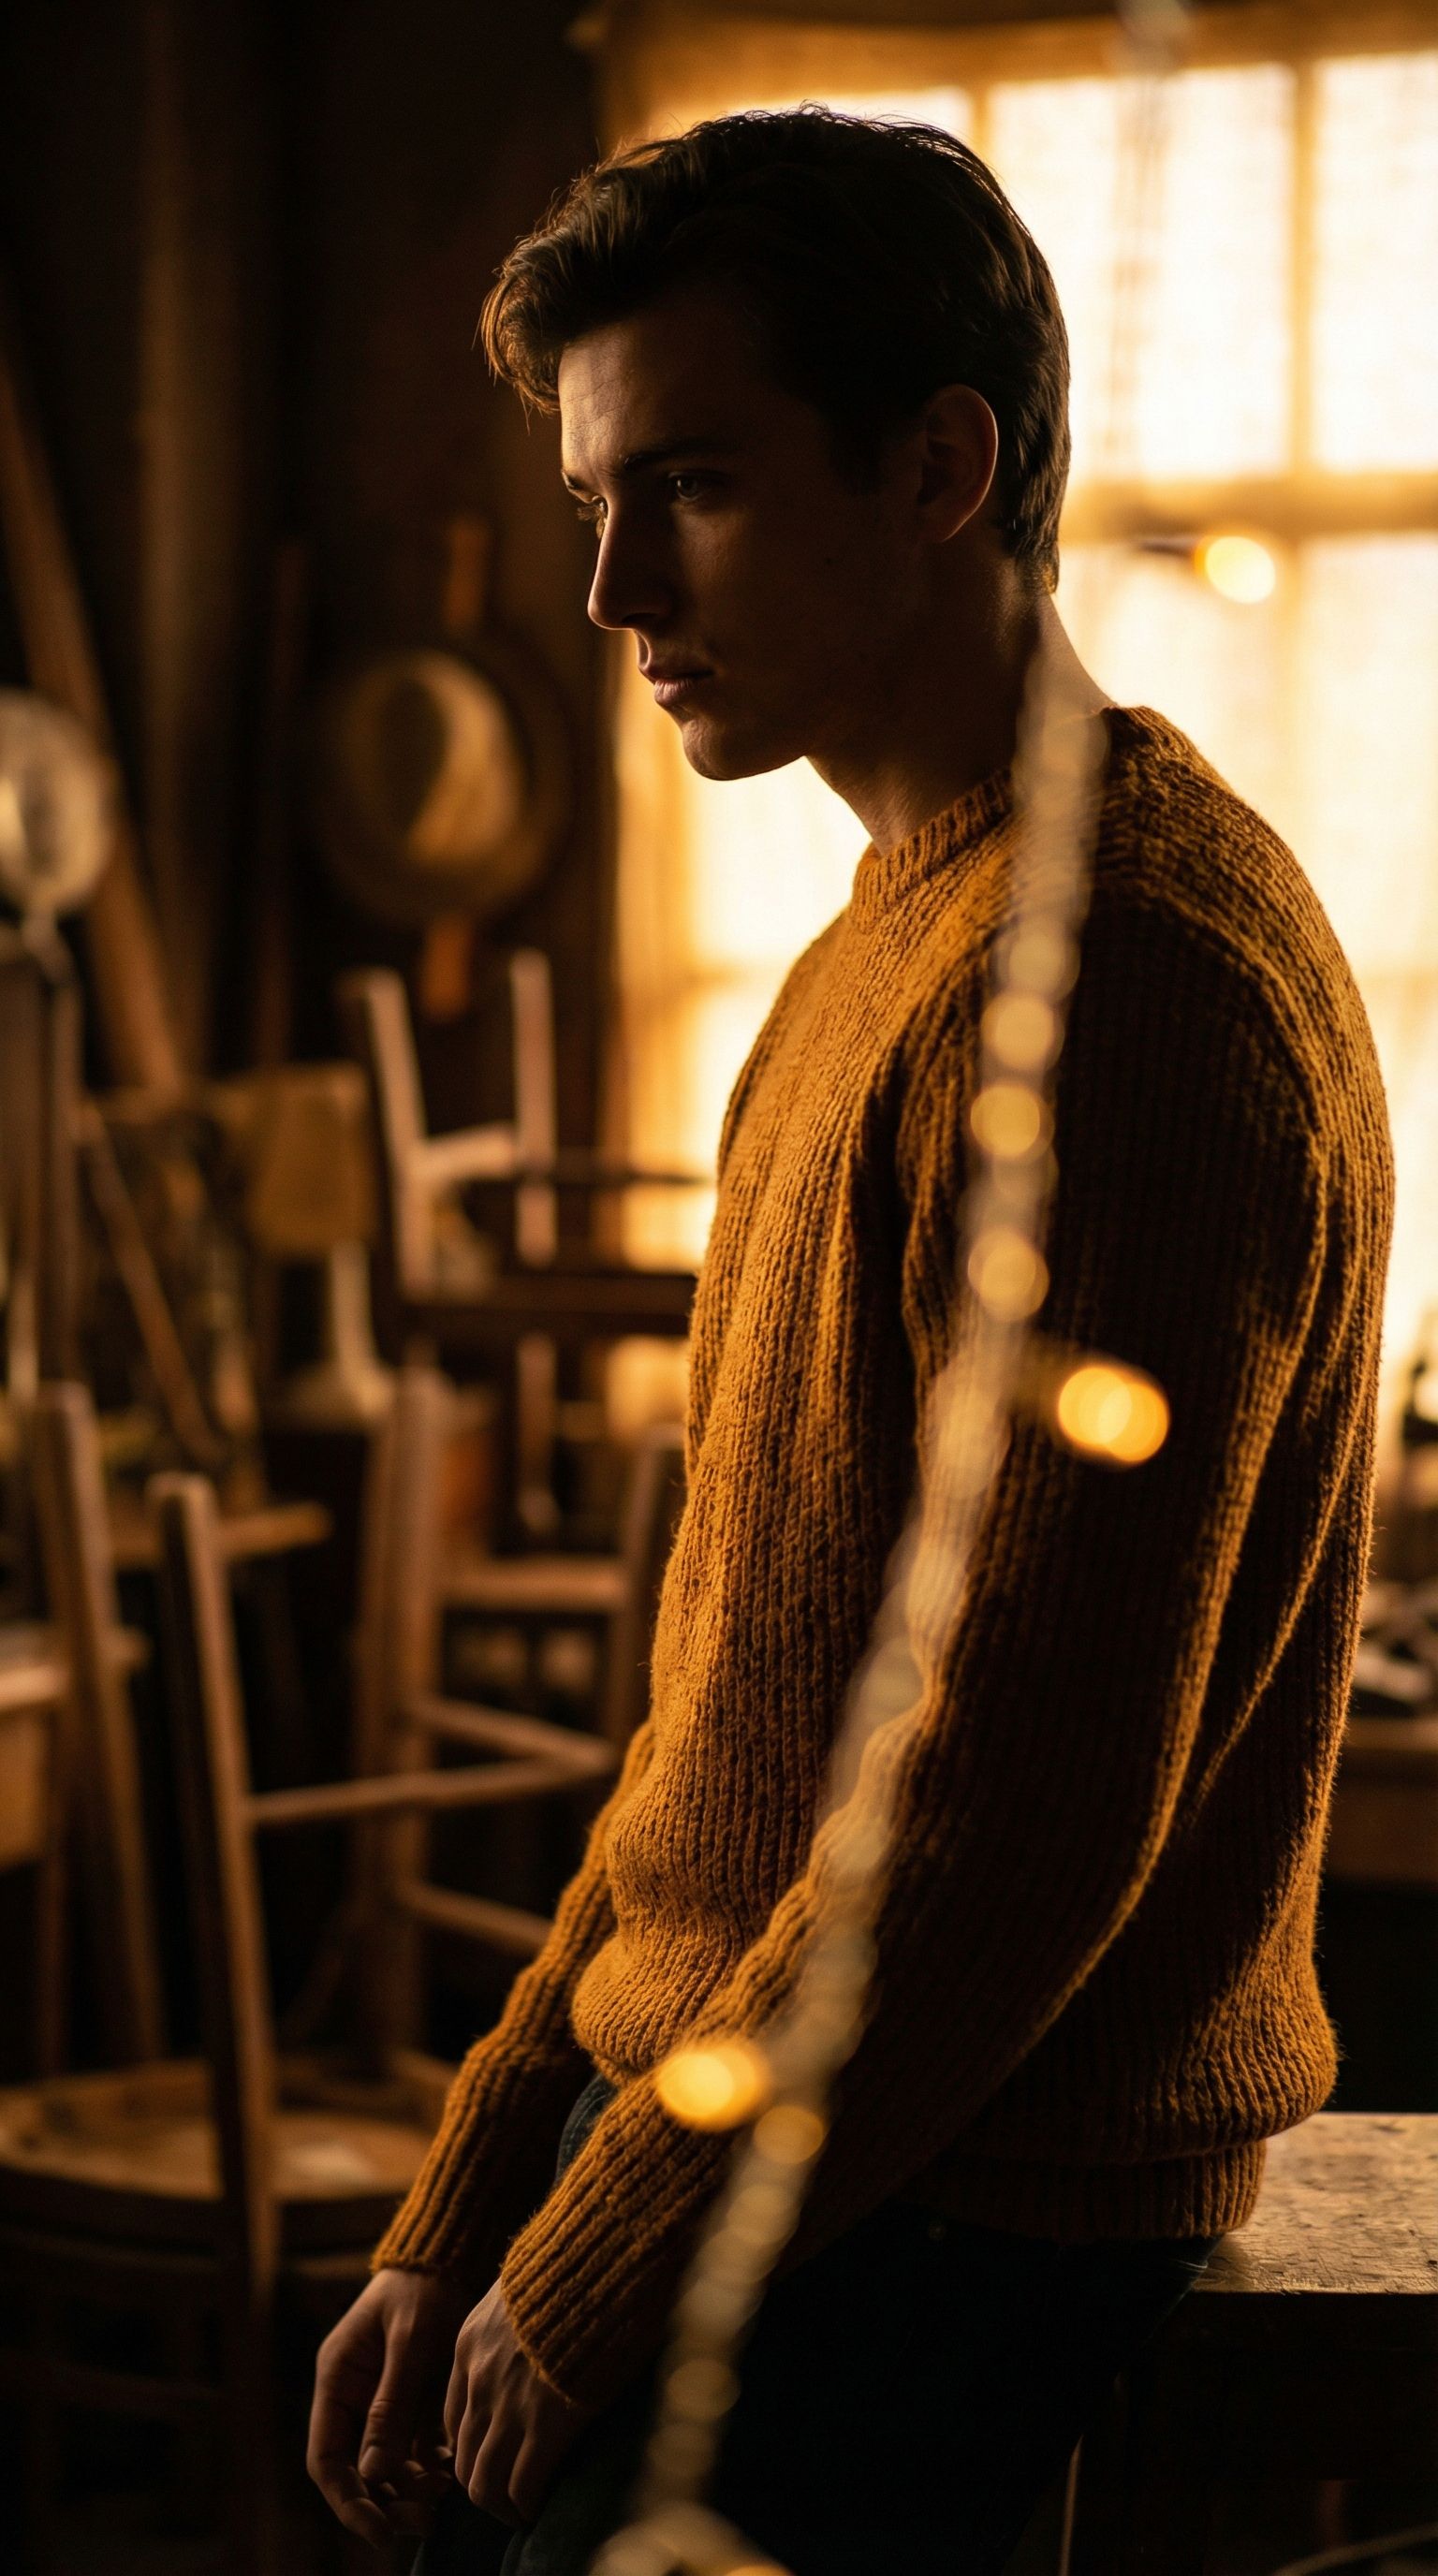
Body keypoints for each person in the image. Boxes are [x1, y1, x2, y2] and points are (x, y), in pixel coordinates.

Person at [308, 110, 1394, 2575]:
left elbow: (1003, 1820)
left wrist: (593, 2268)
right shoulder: (885, 940)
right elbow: (743, 1726)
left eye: (683, 485)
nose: (604, 589)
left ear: (940, 468)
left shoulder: (1122, 989)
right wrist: (473, 2171)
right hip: (748, 2131)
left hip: (943, 2199)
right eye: (592, 493)